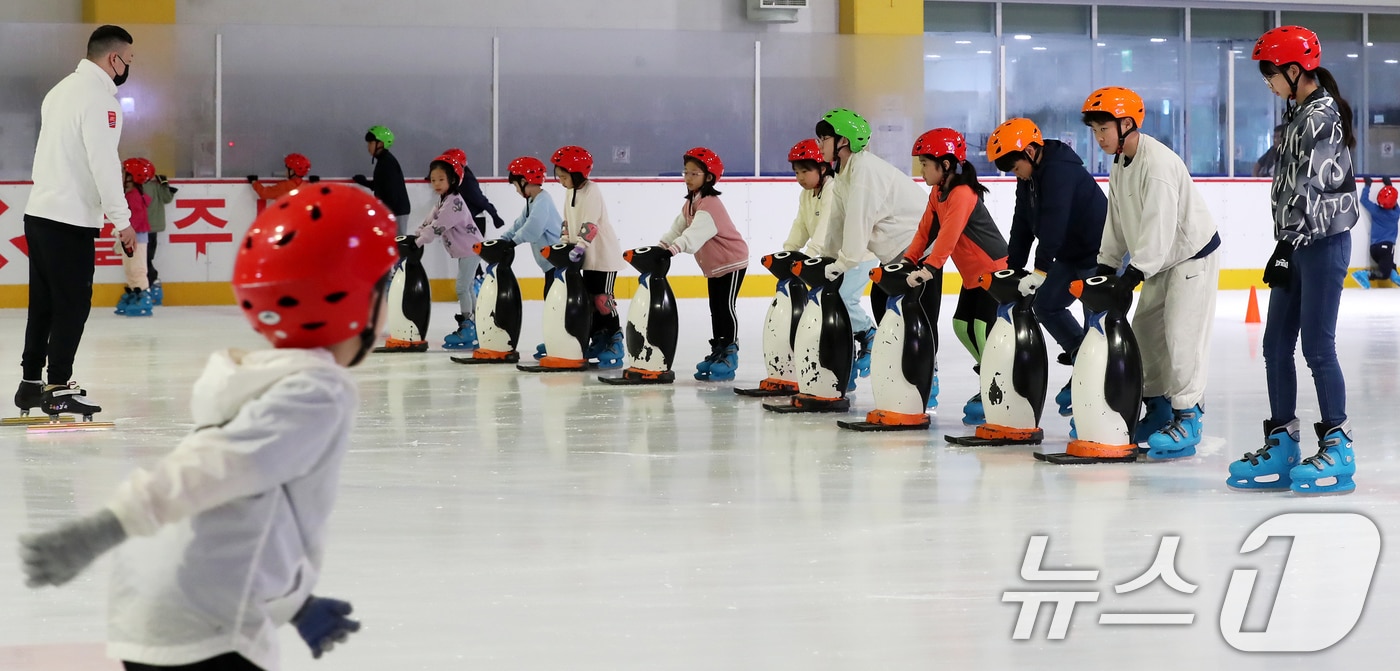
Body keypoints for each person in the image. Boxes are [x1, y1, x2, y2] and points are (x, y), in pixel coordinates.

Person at [18, 184, 395, 670]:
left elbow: (254, 509)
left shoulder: (252, 380)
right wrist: (105, 527)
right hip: (206, 625)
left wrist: (296, 603)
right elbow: (217, 466)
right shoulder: (318, 391)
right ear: (352, 298)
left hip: (154, 608)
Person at [1229, 26, 1360, 495]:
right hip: (1297, 243)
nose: (1268, 82)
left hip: (1321, 244)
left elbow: (1309, 184)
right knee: (1274, 344)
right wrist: (1285, 244)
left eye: (1271, 74)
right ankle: (1282, 437)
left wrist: (1286, 246)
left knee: (1317, 346)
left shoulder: (1321, 114)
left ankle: (1338, 441)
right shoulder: (1298, 113)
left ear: (1293, 69)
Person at [1081, 85, 1221, 460]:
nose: (1098, 138)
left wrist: (1133, 273)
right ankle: (1158, 409)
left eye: (1103, 129)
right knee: (1144, 331)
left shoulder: (1156, 164)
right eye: (1094, 131)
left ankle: (1188, 416)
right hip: (1161, 260)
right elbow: (1118, 218)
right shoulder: (1119, 162)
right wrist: (1107, 262)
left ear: (1127, 124)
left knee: (1181, 336)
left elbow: (1159, 224)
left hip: (1190, 257)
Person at [16, 24, 137, 422]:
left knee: (45, 304)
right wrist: (123, 221)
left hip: (39, 212)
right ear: (113, 58)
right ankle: (58, 387)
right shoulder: (100, 101)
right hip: (69, 219)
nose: (128, 69)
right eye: (128, 60)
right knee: (72, 305)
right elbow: (103, 164)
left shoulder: (60, 90)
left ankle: (31, 384)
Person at [988, 117, 1107, 416]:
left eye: (1016, 168)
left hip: (1099, 254)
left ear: (1029, 151)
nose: (1017, 175)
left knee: (1097, 323)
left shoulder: (1060, 171)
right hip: (1069, 254)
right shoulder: (1029, 178)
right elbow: (1022, 224)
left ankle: (1100, 393)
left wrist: (1040, 270)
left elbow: (1054, 220)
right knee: (1046, 306)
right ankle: (1083, 361)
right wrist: (1013, 268)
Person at [813, 109, 924, 396]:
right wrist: (825, 259)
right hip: (897, 252)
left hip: (916, 247)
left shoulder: (864, 171)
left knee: (907, 314)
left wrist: (844, 262)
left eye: (824, 138)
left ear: (843, 142)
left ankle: (925, 384)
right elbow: (837, 222)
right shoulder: (844, 173)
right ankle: (897, 377)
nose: (819, 144)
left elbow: (858, 220)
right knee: (884, 305)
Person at [903, 128, 1009, 425]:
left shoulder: (963, 193)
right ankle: (991, 378)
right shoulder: (939, 193)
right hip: (972, 275)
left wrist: (930, 268)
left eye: (925, 163)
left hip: (993, 271)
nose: (921, 169)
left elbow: (948, 236)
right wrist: (907, 260)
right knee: (961, 326)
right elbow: (925, 230)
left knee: (980, 330)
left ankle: (1000, 385)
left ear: (946, 164)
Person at [782, 138, 879, 381]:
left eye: (805, 171)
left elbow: (824, 230)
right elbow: (801, 226)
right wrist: (788, 252)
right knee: (830, 307)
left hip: (857, 256)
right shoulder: (807, 195)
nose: (800, 177)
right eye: (796, 172)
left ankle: (868, 333)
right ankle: (845, 364)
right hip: (834, 259)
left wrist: (806, 259)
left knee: (842, 300)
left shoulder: (832, 189)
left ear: (823, 168)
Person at [659, 147, 750, 381]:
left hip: (732, 261)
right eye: (686, 173)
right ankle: (718, 349)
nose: (687, 178)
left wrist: (673, 250)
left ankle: (730, 353)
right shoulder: (691, 203)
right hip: (715, 265)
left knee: (725, 307)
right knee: (715, 308)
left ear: (708, 177)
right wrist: (659, 247)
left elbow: (695, 234)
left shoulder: (710, 203)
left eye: (693, 174)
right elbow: (677, 228)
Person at [549, 145, 626, 368]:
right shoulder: (569, 192)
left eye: (564, 176)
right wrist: (564, 245)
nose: (561, 181)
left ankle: (614, 339)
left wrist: (580, 246)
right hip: (585, 257)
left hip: (602, 256)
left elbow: (591, 223)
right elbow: (567, 221)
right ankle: (599, 337)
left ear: (577, 173)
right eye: (559, 176)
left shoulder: (592, 190)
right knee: (590, 301)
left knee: (603, 299)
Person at [414, 154, 484, 350]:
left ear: (453, 180)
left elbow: (438, 226)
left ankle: (469, 325)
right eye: (433, 180)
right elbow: (430, 220)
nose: (436, 184)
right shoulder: (443, 200)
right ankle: (477, 324)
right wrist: (417, 233)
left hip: (471, 248)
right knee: (467, 287)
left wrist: (419, 242)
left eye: (441, 179)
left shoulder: (454, 203)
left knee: (462, 287)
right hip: (466, 249)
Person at [501, 156, 562, 290]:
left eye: (516, 186)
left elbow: (532, 228)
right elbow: (520, 223)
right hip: (550, 263)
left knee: (554, 301)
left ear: (523, 182)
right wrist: (503, 239)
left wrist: (513, 243)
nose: (517, 190)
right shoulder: (532, 201)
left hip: (557, 262)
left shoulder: (543, 201)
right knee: (551, 298)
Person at [353, 125, 412, 234]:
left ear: (380, 144)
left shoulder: (387, 163)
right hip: (394, 211)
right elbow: (381, 185)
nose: (368, 147)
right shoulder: (383, 161)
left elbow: (391, 192)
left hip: (397, 211)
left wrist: (385, 213)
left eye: (371, 143)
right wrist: (364, 182)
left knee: (397, 246)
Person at [115, 158, 154, 317]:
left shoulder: (134, 196)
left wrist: (125, 229)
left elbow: (137, 217)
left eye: (124, 173)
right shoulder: (130, 195)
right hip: (130, 237)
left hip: (137, 237)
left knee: (137, 267)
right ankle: (133, 292)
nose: (121, 175)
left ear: (133, 176)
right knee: (130, 268)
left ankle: (143, 295)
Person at [1351, 176, 1399, 289]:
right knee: (1384, 274)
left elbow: (1363, 200)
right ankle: (1364, 274)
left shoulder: (1375, 211)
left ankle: (1394, 275)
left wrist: (1368, 185)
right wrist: (1389, 184)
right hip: (1386, 248)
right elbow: (1394, 202)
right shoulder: (1396, 214)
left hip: (1374, 249)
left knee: (1389, 267)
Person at [144, 160, 176, 306]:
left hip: (150, 228)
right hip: (142, 229)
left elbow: (167, 198)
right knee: (143, 260)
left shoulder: (153, 186)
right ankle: (150, 284)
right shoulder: (133, 187)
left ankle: (152, 283)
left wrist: (164, 185)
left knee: (146, 259)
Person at [247, 152, 315, 203]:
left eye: (287, 168)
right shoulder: (306, 187)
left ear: (292, 171)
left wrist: (254, 182)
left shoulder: (285, 186)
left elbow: (264, 193)